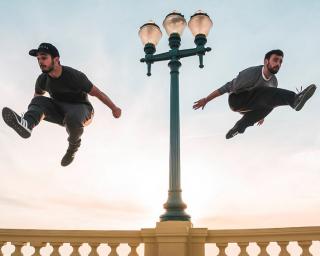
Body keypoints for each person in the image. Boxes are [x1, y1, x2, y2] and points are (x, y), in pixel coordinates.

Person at [2, 43, 121, 166]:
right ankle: (27, 124)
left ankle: (72, 149)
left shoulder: (74, 76)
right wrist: (31, 116)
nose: (40, 62)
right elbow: (37, 99)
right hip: (59, 111)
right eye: (38, 59)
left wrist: (114, 108)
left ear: (56, 59)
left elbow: (98, 94)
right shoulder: (42, 79)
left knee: (73, 116)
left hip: (82, 110)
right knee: (38, 100)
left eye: (44, 58)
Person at [193, 49, 316, 139]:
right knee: (268, 93)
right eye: (275, 60)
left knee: (271, 102)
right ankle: (294, 99)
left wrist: (261, 115)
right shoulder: (251, 73)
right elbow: (227, 87)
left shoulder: (274, 82)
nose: (278, 64)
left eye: (280, 62)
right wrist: (206, 99)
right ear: (266, 61)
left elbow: (271, 99)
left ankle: (238, 128)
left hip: (251, 106)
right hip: (237, 100)